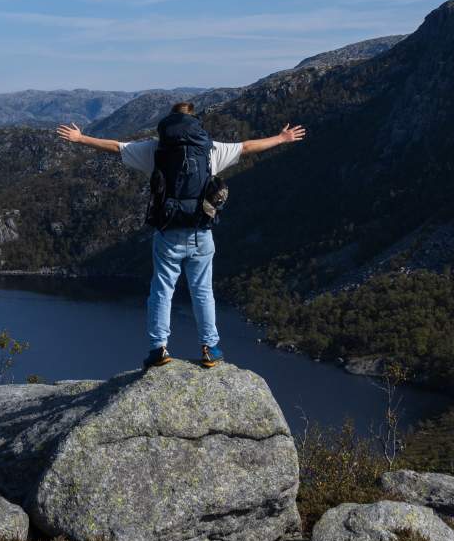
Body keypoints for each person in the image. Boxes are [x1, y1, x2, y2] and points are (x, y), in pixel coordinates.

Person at [56, 103, 307, 369]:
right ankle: (209, 349)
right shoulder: (209, 149)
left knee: (162, 291)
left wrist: (81, 138)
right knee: (202, 292)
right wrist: (281, 138)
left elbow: (117, 147)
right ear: (195, 121)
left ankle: (159, 349)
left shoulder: (156, 149)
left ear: (169, 123)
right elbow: (246, 147)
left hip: (168, 232)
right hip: (201, 232)